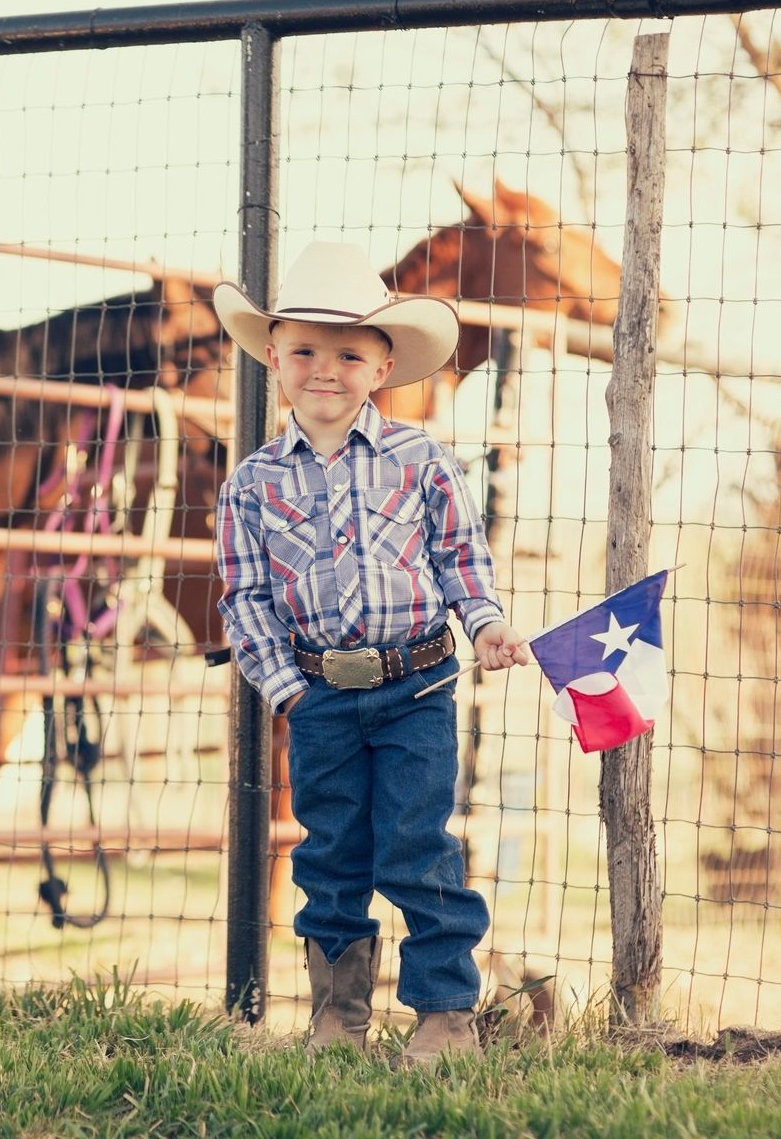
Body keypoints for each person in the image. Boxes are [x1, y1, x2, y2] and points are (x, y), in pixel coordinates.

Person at [212, 241, 530, 1066]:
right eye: (307, 351)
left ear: (383, 365)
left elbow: (463, 560)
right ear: (273, 359)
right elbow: (245, 601)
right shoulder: (250, 485)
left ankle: (444, 1015)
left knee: (420, 846)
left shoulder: (422, 462)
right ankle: (336, 1014)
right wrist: (288, 691)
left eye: (350, 353)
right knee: (331, 855)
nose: (327, 370)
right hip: (319, 699)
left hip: (416, 686)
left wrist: (486, 625)